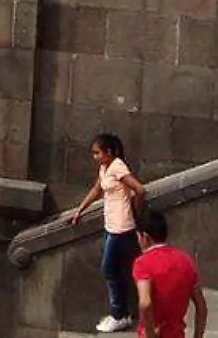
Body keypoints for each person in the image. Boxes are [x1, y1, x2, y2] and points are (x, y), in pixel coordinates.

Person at [69, 133, 145, 334]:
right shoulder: (105, 168)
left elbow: (139, 189)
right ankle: (123, 313)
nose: (94, 157)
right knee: (117, 270)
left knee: (109, 269)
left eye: (97, 153)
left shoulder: (118, 166)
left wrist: (137, 211)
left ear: (108, 152)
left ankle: (119, 314)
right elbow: (96, 190)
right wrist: (80, 210)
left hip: (121, 227)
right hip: (110, 226)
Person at [132, 211, 205, 338]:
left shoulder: (142, 263)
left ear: (145, 237)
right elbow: (201, 306)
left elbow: (145, 303)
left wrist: (149, 333)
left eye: (138, 237)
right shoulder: (185, 260)